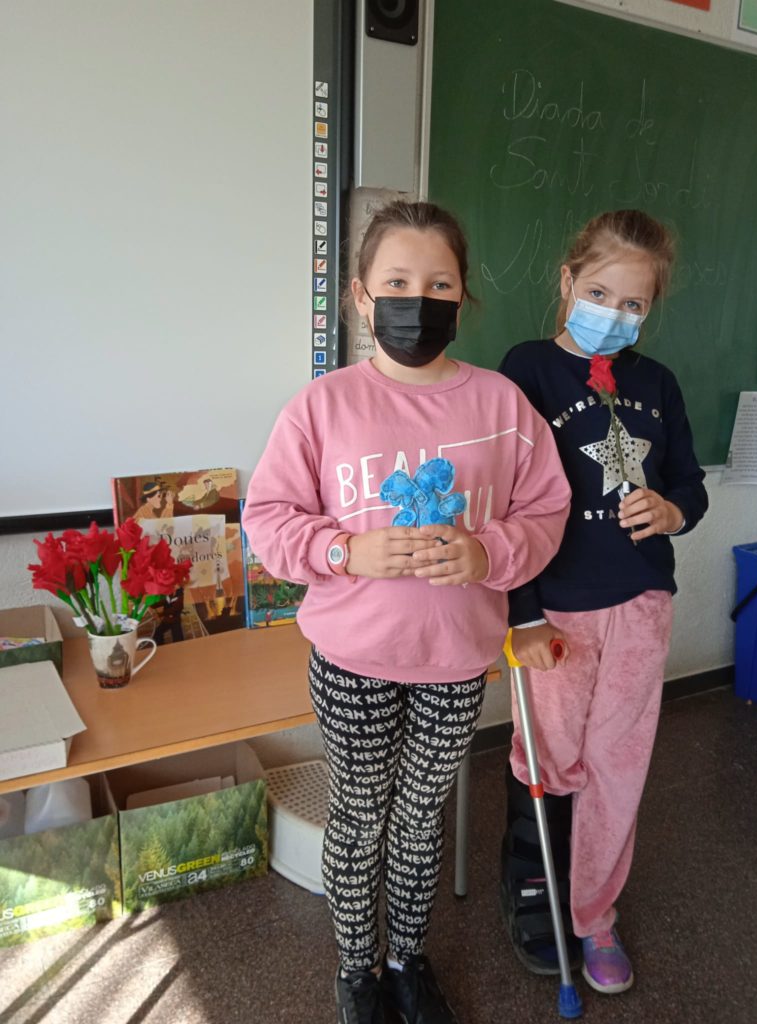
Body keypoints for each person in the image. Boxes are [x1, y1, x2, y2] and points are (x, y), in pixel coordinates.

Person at [243, 199, 571, 1024]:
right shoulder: (321, 406)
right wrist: (343, 552)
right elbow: (269, 522)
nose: (415, 301)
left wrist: (487, 553)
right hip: (352, 658)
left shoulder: (502, 406)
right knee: (360, 817)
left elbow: (546, 512)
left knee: (421, 820)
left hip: (456, 660)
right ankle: (358, 971)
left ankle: (405, 960)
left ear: (463, 297)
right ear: (360, 296)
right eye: (395, 283)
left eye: (438, 285)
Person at [498, 209, 708, 995]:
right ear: (567, 281)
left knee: (619, 765)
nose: (614, 315)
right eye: (598, 294)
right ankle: (533, 889)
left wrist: (672, 510)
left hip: (641, 603)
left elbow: (688, 485)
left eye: (633, 304)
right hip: (557, 607)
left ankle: (594, 913)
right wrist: (522, 612)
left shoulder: (659, 384)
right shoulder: (526, 369)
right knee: (548, 761)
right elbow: (506, 502)